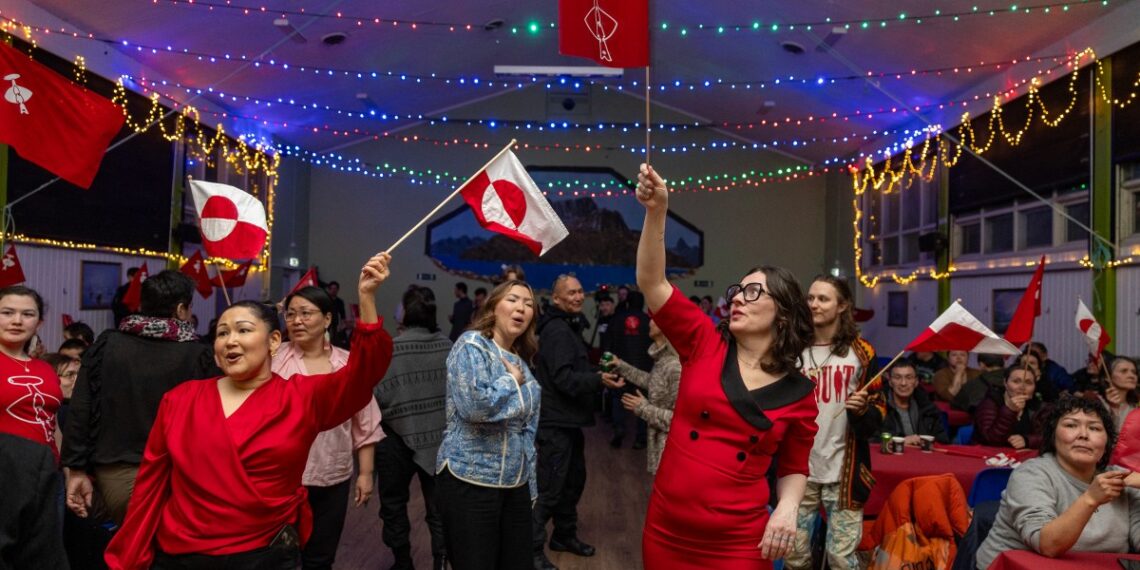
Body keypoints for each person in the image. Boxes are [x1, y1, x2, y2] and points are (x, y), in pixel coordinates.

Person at [101, 252, 394, 569]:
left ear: (273, 342)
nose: (230, 341)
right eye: (222, 333)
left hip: (262, 555)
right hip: (180, 554)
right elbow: (150, 484)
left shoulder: (300, 396)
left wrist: (366, 297)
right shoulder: (180, 399)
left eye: (242, 330)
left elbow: (363, 374)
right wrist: (131, 555)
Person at [635, 164, 818, 569]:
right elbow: (653, 281)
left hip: (737, 541)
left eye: (753, 292)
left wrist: (787, 509)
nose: (737, 298)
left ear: (783, 314)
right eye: (738, 290)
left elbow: (793, 465)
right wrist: (656, 213)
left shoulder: (799, 393)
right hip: (667, 529)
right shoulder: (704, 342)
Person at [64, 271, 219, 526]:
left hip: (115, 472)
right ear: (181, 309)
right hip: (181, 473)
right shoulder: (199, 354)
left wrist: (76, 469)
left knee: (131, 548)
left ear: (141, 305)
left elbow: (80, 409)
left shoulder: (108, 344)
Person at [273, 286, 384, 570]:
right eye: (291, 314)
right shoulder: (273, 358)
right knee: (277, 555)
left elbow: (366, 422)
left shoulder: (347, 363)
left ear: (327, 319)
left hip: (332, 476)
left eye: (306, 314)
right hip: (280, 477)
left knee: (320, 556)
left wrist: (366, 474)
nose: (296, 321)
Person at [435, 279, 540, 570]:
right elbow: (474, 407)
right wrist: (511, 382)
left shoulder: (521, 359)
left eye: (529, 304)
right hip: (471, 478)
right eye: (513, 300)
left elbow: (528, 429)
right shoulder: (472, 345)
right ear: (493, 307)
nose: (521, 308)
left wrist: (529, 484)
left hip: (514, 483)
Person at [975, 397, 1140, 568]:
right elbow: (1047, 545)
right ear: (1053, 436)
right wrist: (1090, 499)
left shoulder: (1124, 480)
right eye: (1071, 425)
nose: (1083, 434)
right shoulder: (1031, 474)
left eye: (1094, 428)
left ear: (1106, 443)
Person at [787, 275, 882, 570]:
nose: (814, 304)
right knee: (794, 555)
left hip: (844, 473)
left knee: (842, 560)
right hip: (798, 473)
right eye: (811, 297)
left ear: (842, 306)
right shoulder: (792, 349)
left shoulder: (862, 354)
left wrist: (861, 411)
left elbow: (878, 416)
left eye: (823, 299)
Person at [532, 273, 611, 569]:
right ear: (556, 299)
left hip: (569, 422)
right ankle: (532, 549)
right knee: (550, 488)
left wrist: (596, 375)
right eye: (571, 293)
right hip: (555, 423)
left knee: (573, 481)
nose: (579, 297)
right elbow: (564, 379)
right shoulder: (556, 331)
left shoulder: (567, 326)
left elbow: (572, 368)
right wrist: (598, 379)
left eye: (581, 292)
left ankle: (564, 536)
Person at [375, 286, 450, 570]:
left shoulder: (390, 349)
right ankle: (440, 563)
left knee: (394, 503)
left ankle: (402, 562)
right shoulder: (449, 346)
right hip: (441, 438)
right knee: (439, 509)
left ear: (404, 312)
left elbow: (375, 395)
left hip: (393, 439)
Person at [0, 286, 67, 568]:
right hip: (6, 476)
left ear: (38, 322)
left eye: (27, 314)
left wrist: (62, 466)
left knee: (43, 558)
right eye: (7, 313)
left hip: (47, 477)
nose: (17, 320)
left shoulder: (44, 368)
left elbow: (52, 420)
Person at [611, 318, 681, 476]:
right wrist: (620, 366)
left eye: (655, 319)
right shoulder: (663, 361)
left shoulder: (675, 367)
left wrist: (643, 408)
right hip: (661, 449)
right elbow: (651, 382)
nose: (649, 322)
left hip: (672, 455)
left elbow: (680, 422)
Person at [607, 290, 652, 450]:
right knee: (642, 403)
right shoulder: (648, 321)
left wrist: (607, 368)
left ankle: (619, 430)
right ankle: (640, 438)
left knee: (618, 401)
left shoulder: (617, 319)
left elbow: (608, 344)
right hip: (644, 369)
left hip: (621, 368)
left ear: (627, 302)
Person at [972, 366, 1050, 449]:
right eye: (1016, 381)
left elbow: (1051, 438)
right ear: (1005, 383)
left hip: (1026, 457)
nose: (1022, 387)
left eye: (1028, 383)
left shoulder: (1041, 407)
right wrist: (1009, 410)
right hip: (990, 456)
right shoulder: (990, 403)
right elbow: (991, 440)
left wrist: (1027, 440)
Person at [880, 361, 950, 445]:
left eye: (909, 378)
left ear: (916, 382)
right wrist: (902, 442)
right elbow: (872, 442)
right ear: (890, 381)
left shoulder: (928, 409)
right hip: (890, 456)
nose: (903, 383)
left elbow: (943, 441)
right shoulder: (878, 408)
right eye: (897, 377)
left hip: (923, 457)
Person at [1100, 356, 1138, 431]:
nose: (1132, 376)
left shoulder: (1135, 407)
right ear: (1107, 377)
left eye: (1134, 372)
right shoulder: (1096, 403)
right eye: (1124, 371)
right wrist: (1114, 409)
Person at [325, 280, 352, 349]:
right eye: (332, 289)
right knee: (325, 336)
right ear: (329, 289)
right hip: (325, 322)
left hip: (335, 322)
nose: (334, 290)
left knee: (335, 338)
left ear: (338, 290)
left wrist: (343, 324)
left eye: (335, 289)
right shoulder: (325, 300)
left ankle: (333, 349)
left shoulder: (340, 302)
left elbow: (342, 314)